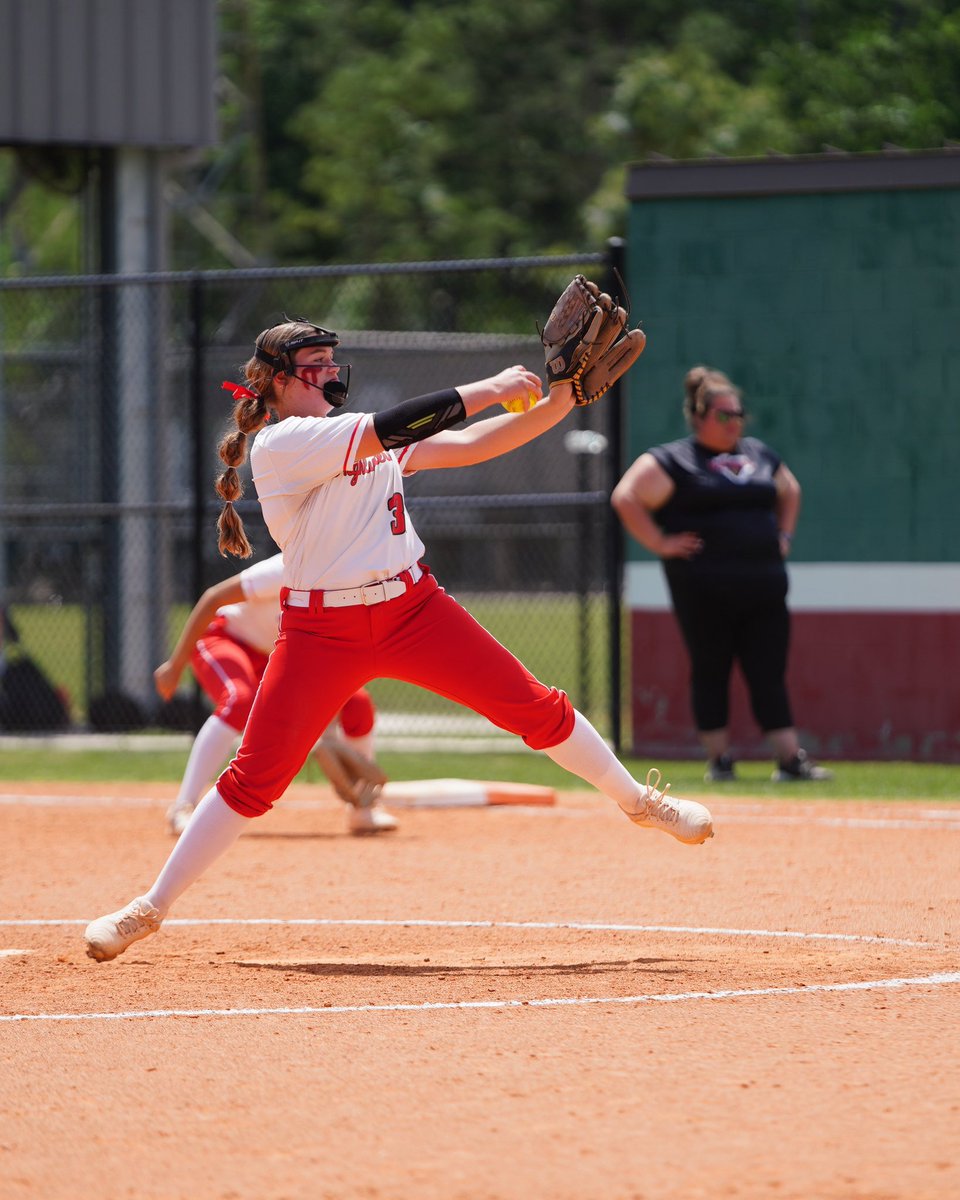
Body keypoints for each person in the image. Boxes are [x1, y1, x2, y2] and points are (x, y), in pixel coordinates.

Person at [85, 314, 714, 962]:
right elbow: (397, 426)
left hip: (413, 609)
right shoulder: (285, 444)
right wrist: (496, 384)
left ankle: (639, 803)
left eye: (331, 359)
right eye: (314, 364)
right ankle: (149, 908)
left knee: (534, 705)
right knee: (254, 780)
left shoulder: (351, 439)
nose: (330, 371)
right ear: (276, 382)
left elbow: (470, 447)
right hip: (319, 629)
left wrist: (559, 401)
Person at [611, 365, 833, 785]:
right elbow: (626, 496)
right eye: (723, 415)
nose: (734, 423)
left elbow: (790, 489)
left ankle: (789, 760)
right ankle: (721, 759)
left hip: (763, 584)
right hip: (705, 590)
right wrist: (661, 543)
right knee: (711, 666)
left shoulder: (758, 454)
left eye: (739, 414)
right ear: (698, 417)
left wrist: (783, 534)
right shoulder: (675, 459)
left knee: (767, 668)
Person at [154, 552, 397, 837]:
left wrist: (320, 737)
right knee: (239, 700)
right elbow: (212, 598)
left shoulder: (348, 585)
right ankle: (183, 807)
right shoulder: (288, 567)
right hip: (225, 639)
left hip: (275, 656)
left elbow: (324, 664)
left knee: (357, 702)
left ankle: (363, 808)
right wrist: (175, 666)